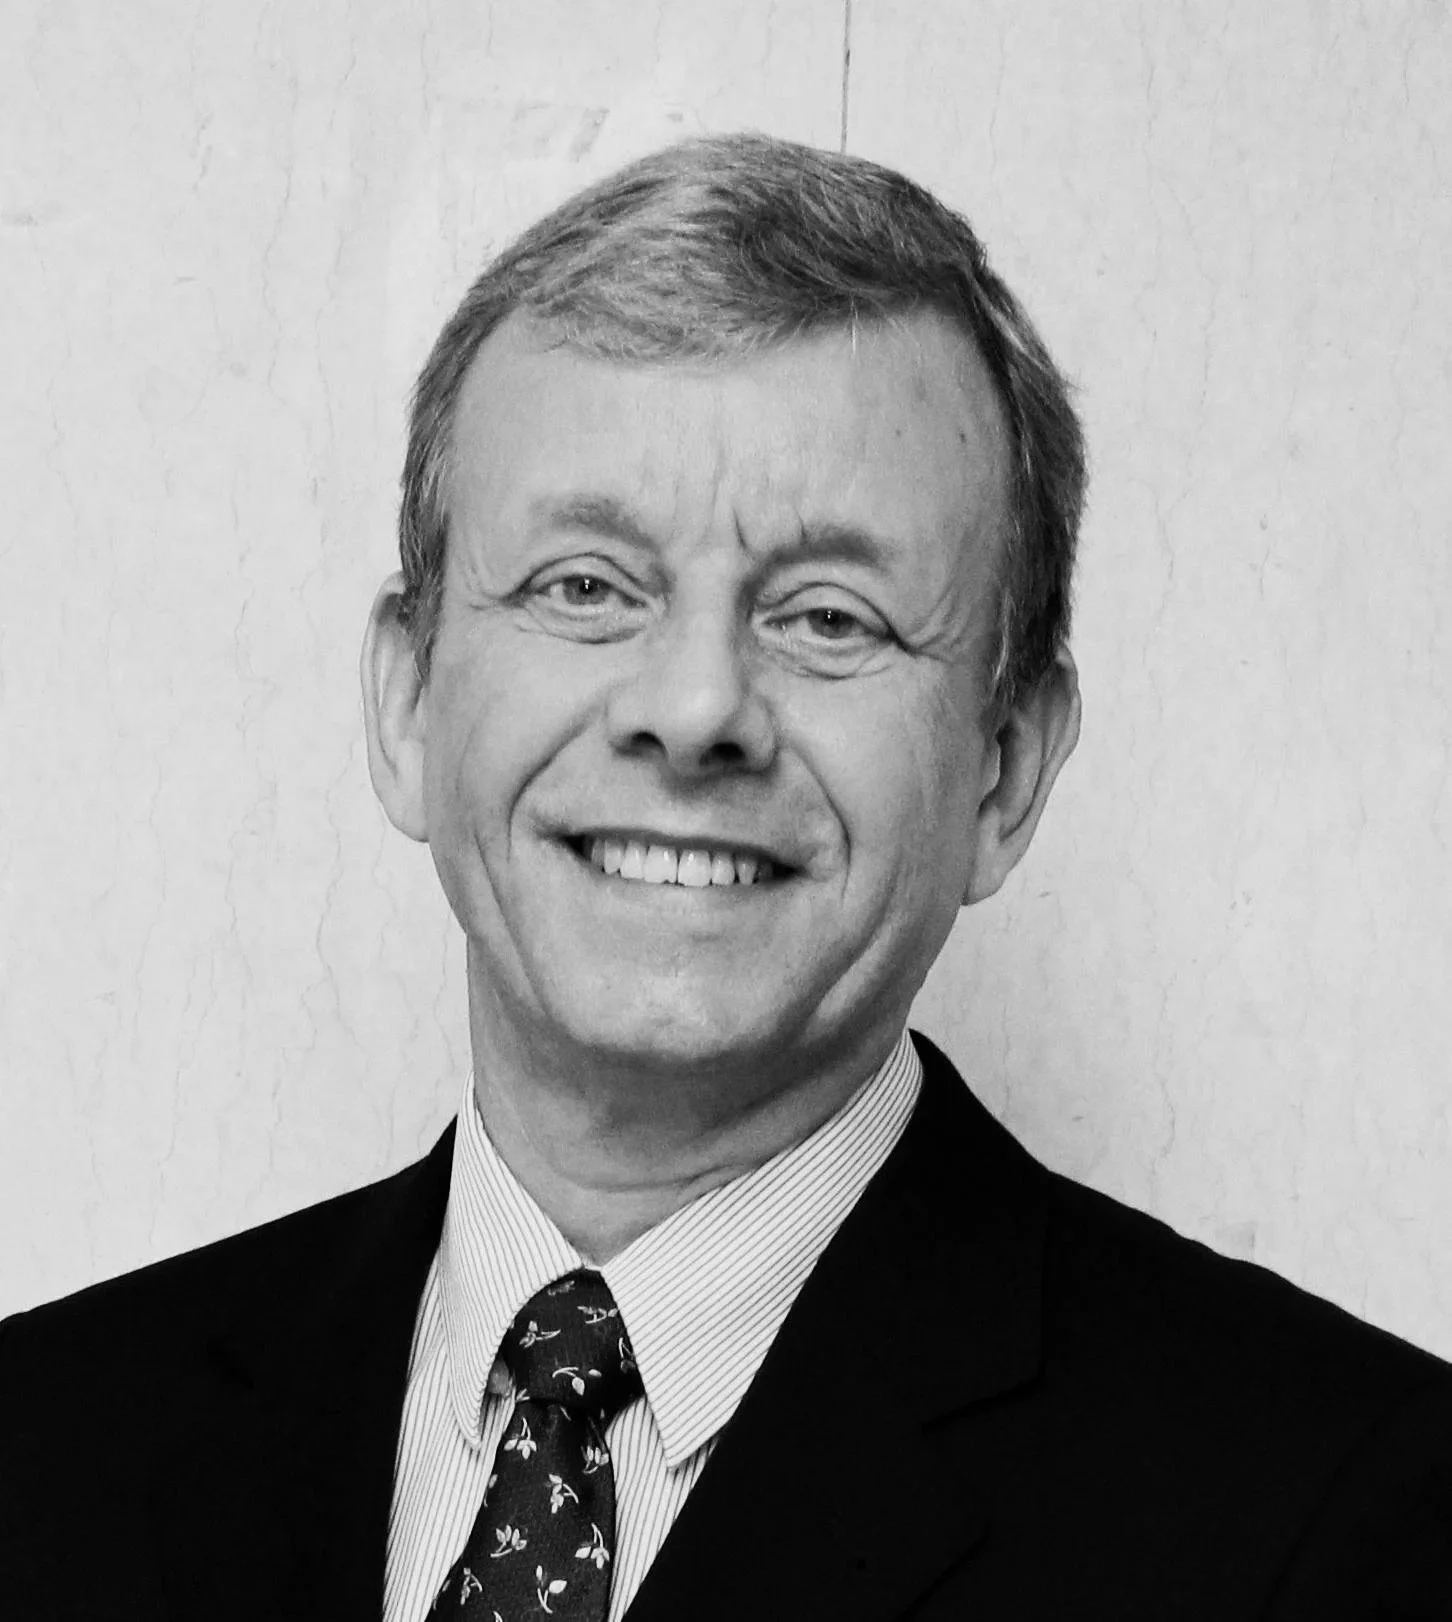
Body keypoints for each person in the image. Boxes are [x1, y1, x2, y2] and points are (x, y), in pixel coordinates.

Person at [2, 133, 1448, 1621]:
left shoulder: (1346, 1519)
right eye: (586, 585)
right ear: (409, 704)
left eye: (829, 616)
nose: (694, 708)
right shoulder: (40, 1447)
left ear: (1006, 768)